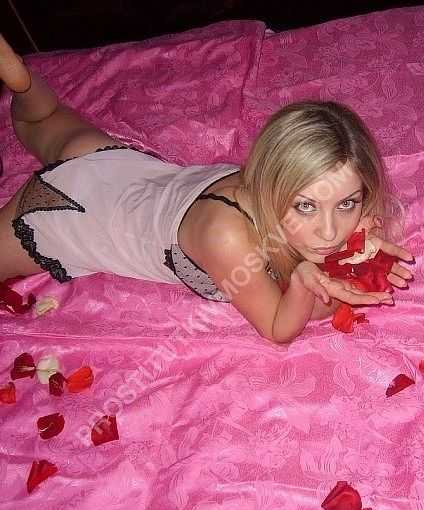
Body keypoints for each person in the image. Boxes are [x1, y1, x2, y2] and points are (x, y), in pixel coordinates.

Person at [0, 35, 414, 343]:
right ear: (273, 180)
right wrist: (317, 284)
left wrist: (358, 249)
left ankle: (22, 82)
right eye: (306, 207)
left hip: (109, 164)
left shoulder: (287, 181)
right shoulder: (226, 237)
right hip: (66, 212)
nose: (330, 231)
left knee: (41, 115)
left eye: (347, 204)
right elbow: (277, 327)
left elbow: (346, 221)